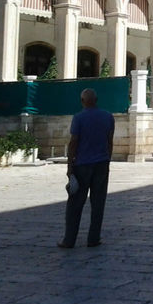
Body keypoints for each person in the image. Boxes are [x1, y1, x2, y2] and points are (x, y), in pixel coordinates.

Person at [58, 88, 114, 249]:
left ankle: (69, 240)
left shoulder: (79, 118)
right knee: (98, 203)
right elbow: (109, 141)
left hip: (82, 164)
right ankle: (93, 238)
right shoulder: (108, 117)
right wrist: (107, 159)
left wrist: (70, 166)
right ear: (96, 100)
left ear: (82, 101)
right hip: (102, 163)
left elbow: (74, 142)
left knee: (75, 203)